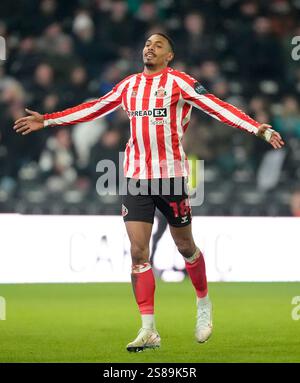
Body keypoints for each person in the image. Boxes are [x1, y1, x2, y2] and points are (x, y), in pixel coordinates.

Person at [13, 33, 285, 352]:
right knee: (138, 253)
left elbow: (217, 107)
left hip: (171, 177)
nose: (149, 47)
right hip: (136, 177)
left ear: (169, 56)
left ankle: (203, 306)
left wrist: (258, 128)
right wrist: (47, 120)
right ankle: (148, 330)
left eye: (158, 45)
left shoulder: (180, 83)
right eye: (146, 44)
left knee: (185, 246)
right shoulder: (129, 86)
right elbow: (94, 108)